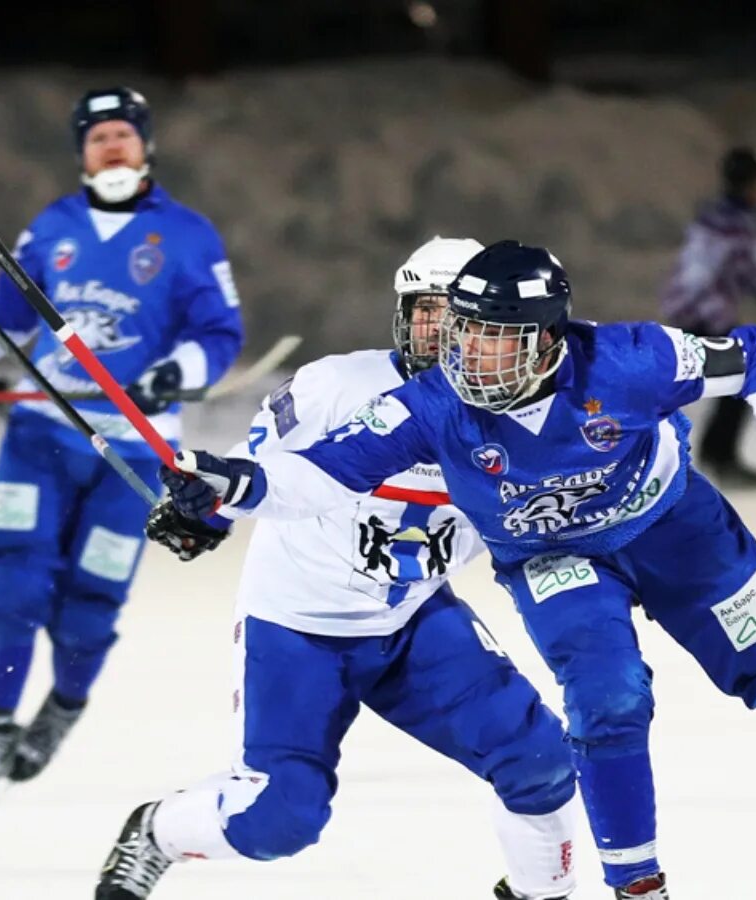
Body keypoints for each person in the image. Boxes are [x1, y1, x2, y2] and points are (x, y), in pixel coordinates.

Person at [158, 241, 756, 897]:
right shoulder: (434, 402)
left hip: (674, 531)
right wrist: (234, 486)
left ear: (548, 338)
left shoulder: (632, 361)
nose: (471, 357)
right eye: (464, 333)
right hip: (555, 560)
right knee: (607, 704)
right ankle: (638, 886)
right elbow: (323, 471)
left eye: (496, 340)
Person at [94, 237, 579, 900]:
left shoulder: (526, 414)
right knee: (278, 820)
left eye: (452, 312)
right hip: (299, 629)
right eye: (423, 308)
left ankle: (538, 895)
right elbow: (256, 468)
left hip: (411, 621)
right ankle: (156, 832)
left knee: (541, 763)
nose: (435, 328)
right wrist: (205, 508)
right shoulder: (335, 387)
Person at [0, 86, 245, 796]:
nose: (112, 146)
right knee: (14, 580)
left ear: (145, 145)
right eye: (98, 138)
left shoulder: (188, 235)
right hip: (44, 433)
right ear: (82, 153)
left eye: (124, 134)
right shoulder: (51, 227)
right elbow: (4, 317)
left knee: (90, 598)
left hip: (136, 447)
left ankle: (63, 706)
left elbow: (220, 336)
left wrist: (171, 374)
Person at [660, 146, 756, 485]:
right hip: (702, 313)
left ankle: (714, 454)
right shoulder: (736, 223)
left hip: (687, 309)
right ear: (751, 183)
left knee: (732, 379)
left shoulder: (713, 215)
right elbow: (746, 266)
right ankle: (718, 457)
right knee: (742, 377)